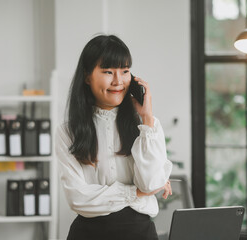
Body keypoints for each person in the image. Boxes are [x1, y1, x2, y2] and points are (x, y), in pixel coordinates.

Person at [55, 34, 173, 240]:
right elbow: (78, 198)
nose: (118, 81)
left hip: (140, 234)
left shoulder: (148, 127)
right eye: (108, 71)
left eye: (125, 71)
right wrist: (135, 194)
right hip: (88, 234)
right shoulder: (68, 132)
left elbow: (150, 184)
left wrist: (146, 118)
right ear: (87, 76)